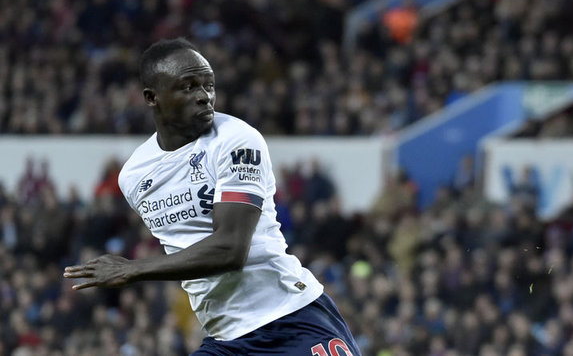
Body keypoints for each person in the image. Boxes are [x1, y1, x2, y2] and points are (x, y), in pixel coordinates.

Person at [63, 38, 361, 355]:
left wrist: (132, 269)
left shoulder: (237, 140)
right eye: (188, 87)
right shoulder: (134, 177)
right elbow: (187, 248)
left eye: (208, 85)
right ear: (152, 97)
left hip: (291, 319)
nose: (204, 96)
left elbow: (230, 249)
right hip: (226, 338)